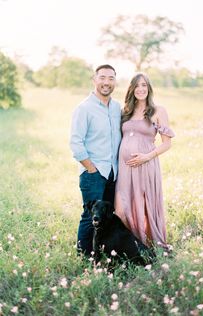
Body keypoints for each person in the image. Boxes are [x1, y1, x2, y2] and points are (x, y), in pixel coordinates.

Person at [114, 73, 174, 249]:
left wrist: (146, 157)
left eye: (144, 85)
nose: (141, 89)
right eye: (137, 86)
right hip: (125, 169)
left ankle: (146, 246)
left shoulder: (158, 111)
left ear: (149, 88)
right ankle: (129, 246)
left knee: (145, 207)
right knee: (121, 210)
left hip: (146, 166)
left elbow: (167, 143)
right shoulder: (126, 111)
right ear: (131, 89)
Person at [70, 64, 121, 256]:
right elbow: (75, 142)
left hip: (113, 172)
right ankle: (84, 256)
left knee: (107, 216)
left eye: (111, 78)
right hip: (93, 173)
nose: (106, 82)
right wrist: (91, 168)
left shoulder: (116, 107)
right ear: (94, 80)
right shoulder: (84, 108)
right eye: (102, 78)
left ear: (115, 81)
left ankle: (103, 253)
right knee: (89, 217)